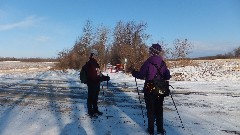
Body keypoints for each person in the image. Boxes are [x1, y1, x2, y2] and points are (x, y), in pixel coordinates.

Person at [131, 43, 171, 135]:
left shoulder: (148, 62)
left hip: (150, 86)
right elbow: (167, 76)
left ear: (152, 51)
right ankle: (160, 129)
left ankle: (151, 130)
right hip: (160, 87)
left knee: (150, 109)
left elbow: (141, 75)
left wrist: (133, 72)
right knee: (159, 108)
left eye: (150, 50)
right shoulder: (163, 62)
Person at [86, 49, 110, 117]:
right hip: (91, 83)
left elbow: (99, 74)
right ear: (92, 55)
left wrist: (105, 77)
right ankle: (90, 112)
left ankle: (95, 110)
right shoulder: (89, 64)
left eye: (97, 55)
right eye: (96, 55)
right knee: (91, 98)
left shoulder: (96, 64)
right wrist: (100, 78)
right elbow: (91, 75)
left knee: (95, 97)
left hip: (96, 83)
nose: (97, 56)